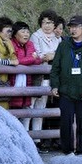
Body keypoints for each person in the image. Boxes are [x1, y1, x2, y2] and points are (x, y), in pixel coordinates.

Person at [49, 15, 82, 155]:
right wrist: (54, 86)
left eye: (77, 27)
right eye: (71, 27)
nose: (73, 30)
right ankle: (67, 151)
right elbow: (55, 69)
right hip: (66, 91)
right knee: (65, 123)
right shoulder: (63, 45)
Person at [29, 10, 61, 145]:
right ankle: (26, 137)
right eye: (44, 22)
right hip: (37, 75)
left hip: (50, 76)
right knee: (30, 106)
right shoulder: (35, 36)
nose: (47, 25)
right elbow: (39, 54)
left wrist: (52, 56)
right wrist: (53, 55)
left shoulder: (57, 38)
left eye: (50, 23)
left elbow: (59, 56)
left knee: (41, 108)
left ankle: (37, 139)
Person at [10, 21, 42, 133]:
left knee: (25, 113)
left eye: (28, 31)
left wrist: (31, 59)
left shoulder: (30, 44)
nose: (26, 34)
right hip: (13, 83)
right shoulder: (11, 44)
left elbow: (38, 60)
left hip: (27, 83)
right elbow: (14, 60)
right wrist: (32, 59)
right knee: (13, 115)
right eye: (23, 31)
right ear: (15, 34)